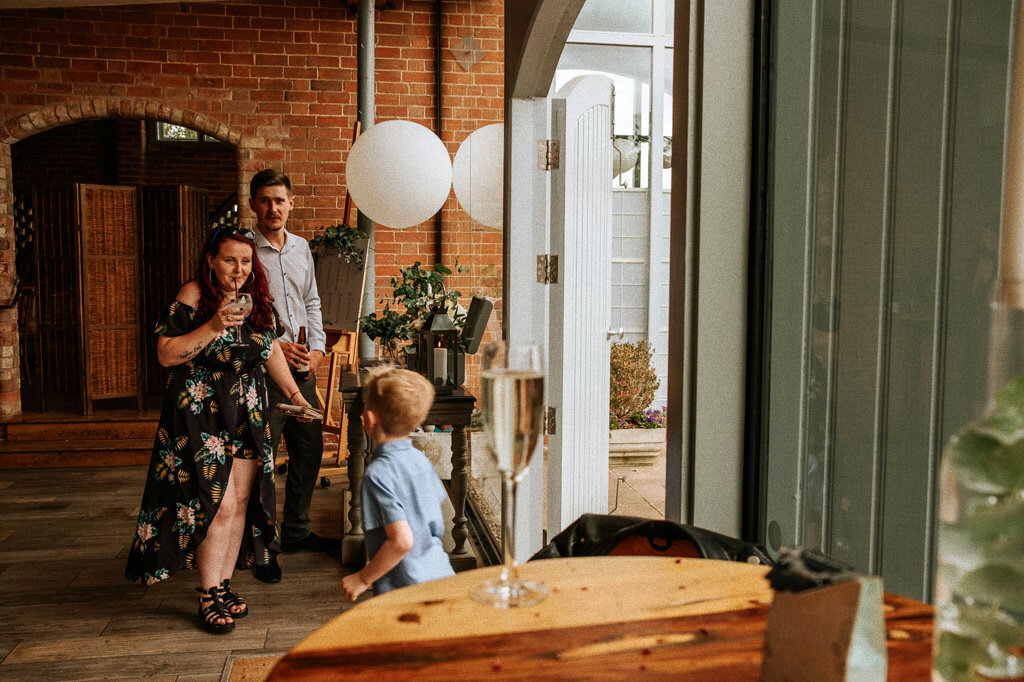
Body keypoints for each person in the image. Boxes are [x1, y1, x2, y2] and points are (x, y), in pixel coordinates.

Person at [125, 226, 313, 634]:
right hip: (201, 412)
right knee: (219, 504)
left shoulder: (258, 301)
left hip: (248, 411)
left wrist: (296, 396)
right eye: (230, 259)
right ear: (211, 259)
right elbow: (165, 354)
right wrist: (212, 325)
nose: (239, 269)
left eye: (246, 261)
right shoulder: (193, 295)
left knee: (242, 501)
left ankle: (223, 585)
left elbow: (270, 351)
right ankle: (208, 593)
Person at [249, 168, 339, 584]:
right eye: (265, 200)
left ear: (291, 204)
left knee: (308, 451)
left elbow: (313, 302)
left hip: (303, 370)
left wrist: (318, 350)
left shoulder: (302, 248)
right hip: (263, 371)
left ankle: (298, 530)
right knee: (259, 458)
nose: (273, 208)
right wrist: (275, 346)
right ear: (254, 205)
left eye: (280, 200)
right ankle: (259, 544)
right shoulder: (243, 252)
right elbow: (239, 314)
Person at [341, 368, 455, 600]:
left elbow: (401, 541)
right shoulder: (421, 460)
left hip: (405, 589)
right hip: (440, 573)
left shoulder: (377, 474)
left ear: (369, 418)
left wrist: (362, 578)